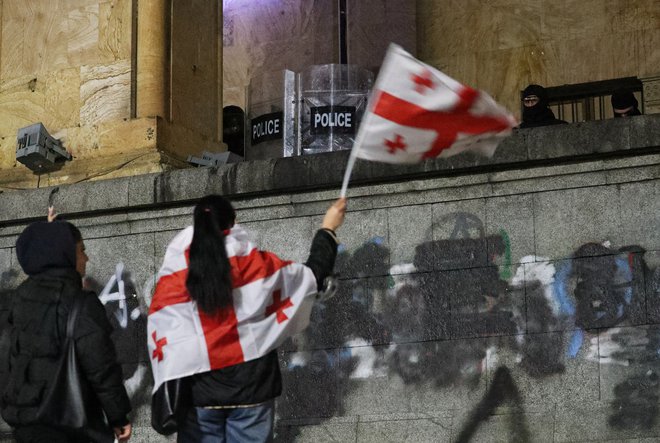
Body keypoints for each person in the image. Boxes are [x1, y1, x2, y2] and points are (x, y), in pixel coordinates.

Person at [148, 195, 347, 442]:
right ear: (233, 223)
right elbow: (311, 277)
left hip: (199, 396)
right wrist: (328, 229)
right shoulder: (257, 266)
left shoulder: (176, 275)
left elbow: (162, 326)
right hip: (252, 392)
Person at [0, 221, 132, 443]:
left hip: (25, 427)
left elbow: (7, 364)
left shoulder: (17, 302)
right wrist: (118, 416)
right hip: (72, 428)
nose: (86, 259)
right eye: (81, 250)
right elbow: (101, 366)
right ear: (64, 254)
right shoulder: (80, 303)